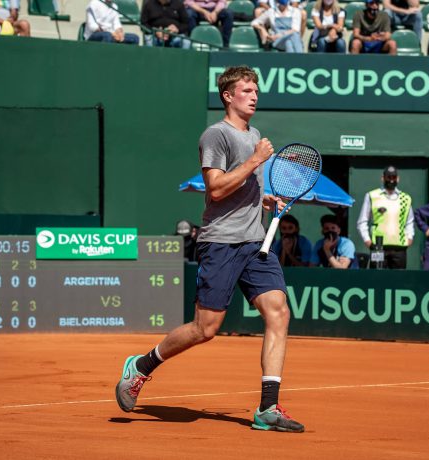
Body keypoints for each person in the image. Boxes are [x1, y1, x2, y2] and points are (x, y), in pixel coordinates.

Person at [115, 66, 304, 433]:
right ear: (228, 96)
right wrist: (255, 160)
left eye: (256, 90)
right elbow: (216, 189)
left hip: (254, 242)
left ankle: (268, 408)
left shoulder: (255, 136)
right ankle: (141, 366)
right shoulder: (216, 135)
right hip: (220, 242)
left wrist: (264, 199)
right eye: (246, 90)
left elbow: (243, 188)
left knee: (278, 312)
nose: (254, 96)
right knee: (205, 328)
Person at [356, 165, 415, 270]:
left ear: (398, 179)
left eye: (393, 177)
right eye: (388, 177)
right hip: (378, 247)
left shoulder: (406, 198)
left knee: (399, 278)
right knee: (377, 277)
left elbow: (409, 221)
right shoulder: (372, 195)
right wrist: (368, 241)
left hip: (399, 248)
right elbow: (362, 221)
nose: (391, 180)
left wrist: (410, 237)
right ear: (383, 178)